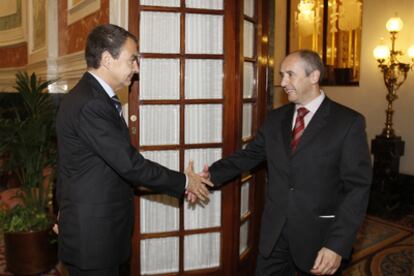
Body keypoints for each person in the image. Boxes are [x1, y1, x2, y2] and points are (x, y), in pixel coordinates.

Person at [55, 24, 212, 276]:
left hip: (94, 230)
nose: (136, 69)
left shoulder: (88, 97)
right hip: (93, 238)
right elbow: (131, 165)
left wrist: (61, 211)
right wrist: (185, 181)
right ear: (107, 59)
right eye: (132, 60)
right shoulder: (91, 104)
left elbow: (68, 165)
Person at [197, 50, 372, 275]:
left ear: (314, 76)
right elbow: (249, 156)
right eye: (282, 75)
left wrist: (337, 244)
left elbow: (357, 188)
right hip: (275, 236)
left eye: (290, 75)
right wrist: (209, 175)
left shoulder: (348, 123)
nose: (282, 82)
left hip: (320, 240)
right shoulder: (275, 119)